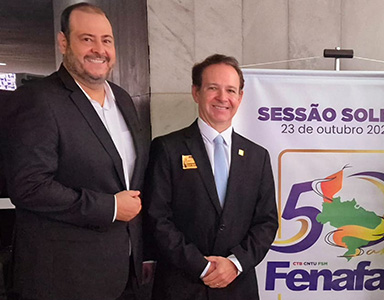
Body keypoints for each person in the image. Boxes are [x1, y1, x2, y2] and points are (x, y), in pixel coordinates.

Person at [5, 3, 150, 299]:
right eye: (87, 39)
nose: (99, 49)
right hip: (63, 278)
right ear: (63, 43)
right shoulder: (38, 99)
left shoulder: (122, 98)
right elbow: (29, 186)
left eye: (106, 40)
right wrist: (110, 207)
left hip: (123, 273)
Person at [144, 54, 278, 300]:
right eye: (213, 88)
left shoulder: (258, 156)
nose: (222, 98)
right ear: (196, 92)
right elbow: (157, 219)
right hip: (181, 286)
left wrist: (235, 263)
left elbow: (267, 222)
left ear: (240, 97)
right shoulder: (167, 149)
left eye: (230, 90)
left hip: (238, 287)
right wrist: (202, 267)